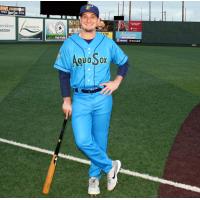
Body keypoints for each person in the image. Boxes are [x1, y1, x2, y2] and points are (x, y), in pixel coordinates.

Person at [54, 4, 129, 196]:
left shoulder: (107, 43)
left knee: (100, 139)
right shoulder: (69, 44)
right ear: (80, 20)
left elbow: (123, 63)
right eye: (84, 16)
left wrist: (117, 82)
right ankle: (110, 166)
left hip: (103, 97)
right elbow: (63, 74)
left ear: (97, 20)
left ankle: (94, 177)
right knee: (83, 140)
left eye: (92, 16)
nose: (88, 20)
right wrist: (66, 99)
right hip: (80, 98)